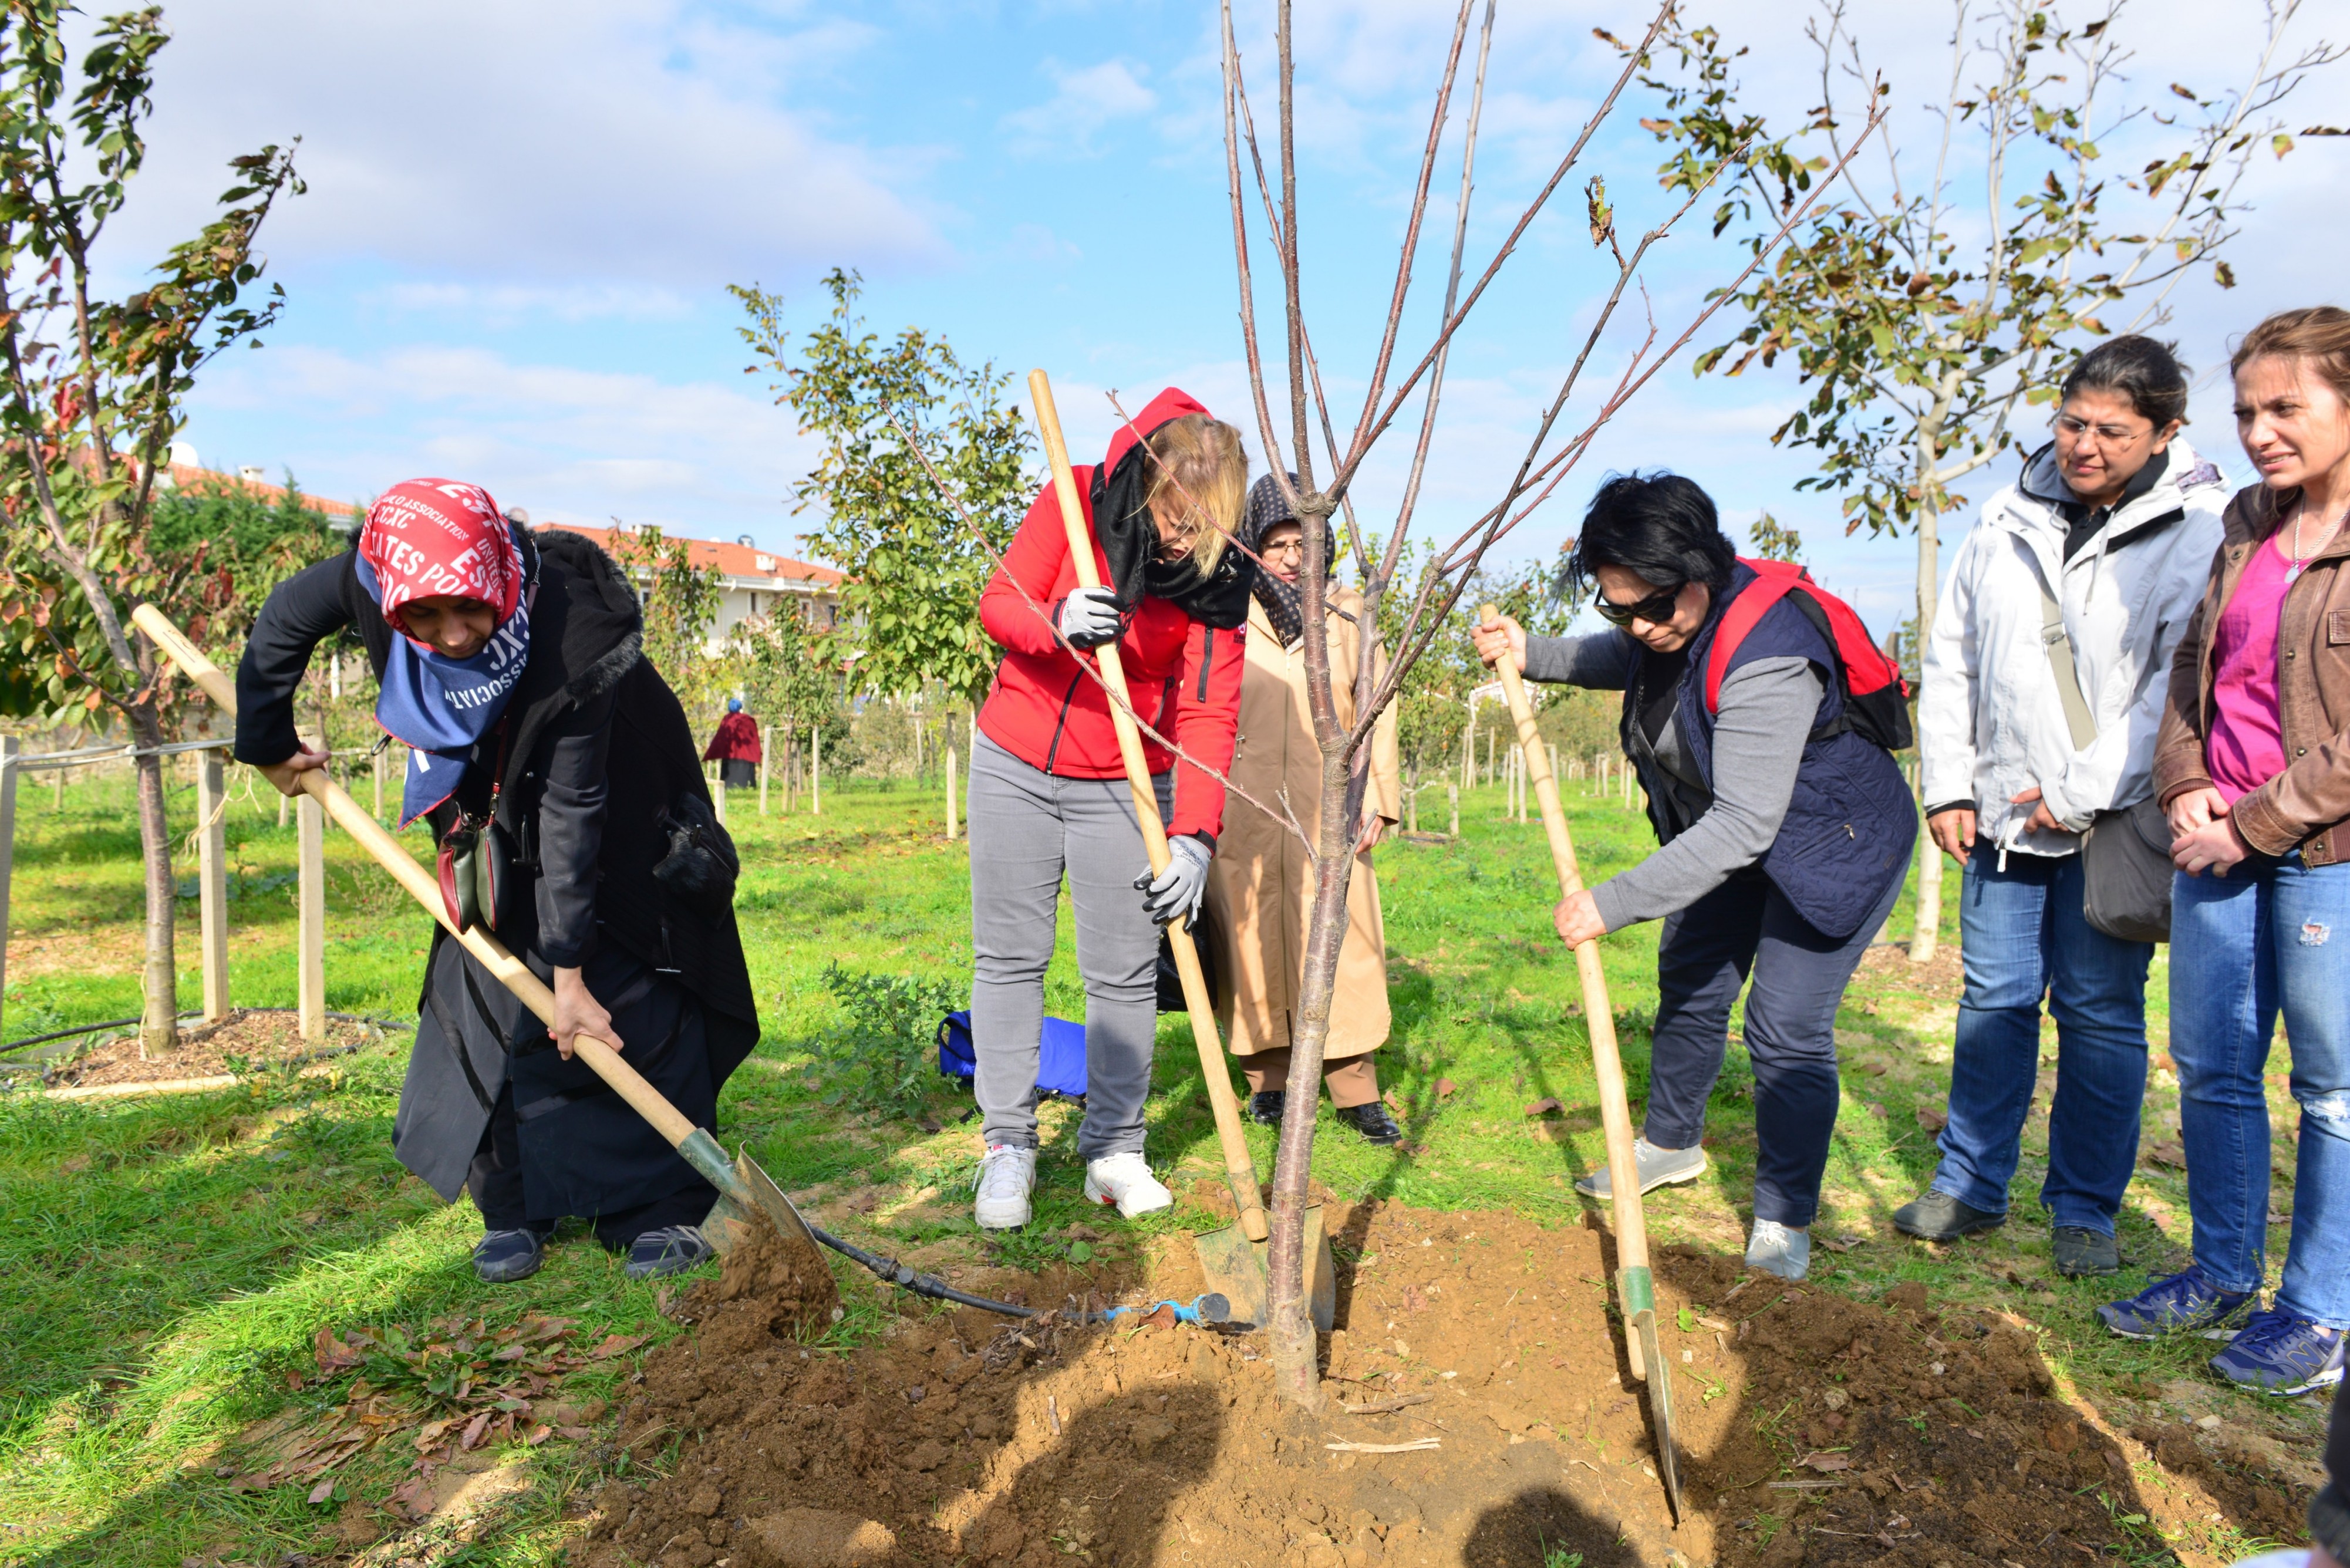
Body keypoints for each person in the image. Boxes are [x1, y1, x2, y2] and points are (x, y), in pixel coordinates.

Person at [235, 480, 760, 1284]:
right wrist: (267, 739)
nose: (451, 635)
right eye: (425, 617)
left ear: (502, 580)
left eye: (472, 610)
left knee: (621, 981)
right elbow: (281, 624)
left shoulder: (577, 634)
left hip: (616, 785)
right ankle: (514, 1203)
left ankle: (659, 1203)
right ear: (394, 596)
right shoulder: (375, 575)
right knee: (488, 966)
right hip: (481, 792)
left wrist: (572, 973)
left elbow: (572, 810)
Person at [1473, 473, 1915, 1280]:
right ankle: (1667, 1146)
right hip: (1738, 834)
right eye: (1618, 605)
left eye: (1654, 605)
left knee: (1782, 1025)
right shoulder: (1661, 623)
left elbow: (1744, 825)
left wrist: (1607, 904)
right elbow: (1624, 655)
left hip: (1831, 841)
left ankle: (1783, 1216)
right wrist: (1529, 654)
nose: (1638, 624)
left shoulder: (1768, 652)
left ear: (1702, 570)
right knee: (1690, 979)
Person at [1897, 337, 2228, 1277]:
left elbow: (2174, 690)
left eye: (2110, 431)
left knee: (2098, 1015)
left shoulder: (2197, 530)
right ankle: (1968, 1184)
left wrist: (2078, 793)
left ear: (2165, 430)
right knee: (1990, 1002)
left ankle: (2084, 1206)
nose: (2082, 444)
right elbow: (1952, 653)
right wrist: (1950, 783)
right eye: (2070, 422)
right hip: (1999, 813)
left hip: (2108, 824)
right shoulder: (2003, 515)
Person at [2096, 307, 2350, 1397]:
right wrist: (2186, 785)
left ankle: (2318, 1310)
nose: (2258, 431)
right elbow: (2192, 667)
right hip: (2213, 842)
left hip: (2323, 854)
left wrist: (2250, 820)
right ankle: (2217, 1271)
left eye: (2286, 407)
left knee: (2333, 1089)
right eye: (2246, 409)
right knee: (2210, 1067)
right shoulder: (2245, 523)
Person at [966, 390, 1252, 1230]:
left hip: (1129, 782)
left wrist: (1193, 837)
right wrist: (1052, 621)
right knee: (1011, 955)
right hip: (1014, 759)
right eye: (1171, 514)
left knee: (1123, 971)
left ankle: (1114, 1148)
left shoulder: (1217, 579)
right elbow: (998, 603)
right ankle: (1007, 1145)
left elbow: (1209, 712)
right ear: (1147, 481)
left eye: (1201, 523)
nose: (1179, 537)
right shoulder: (1073, 496)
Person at [1202, 474, 1404, 1147]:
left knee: (1342, 946)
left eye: (1303, 542)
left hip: (1330, 809)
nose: (1291, 557)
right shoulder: (1227, 611)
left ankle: (1355, 1090)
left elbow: (1377, 709)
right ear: (1251, 545)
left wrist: (1377, 796)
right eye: (1276, 543)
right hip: (1245, 807)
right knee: (1252, 942)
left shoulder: (1348, 615)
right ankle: (1271, 1082)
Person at [705, 696, 762, 789]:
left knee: (729, 784)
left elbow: (721, 737)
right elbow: (753, 739)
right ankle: (747, 787)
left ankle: (729, 786)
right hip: (746, 757)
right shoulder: (747, 720)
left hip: (729, 755)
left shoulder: (727, 720)